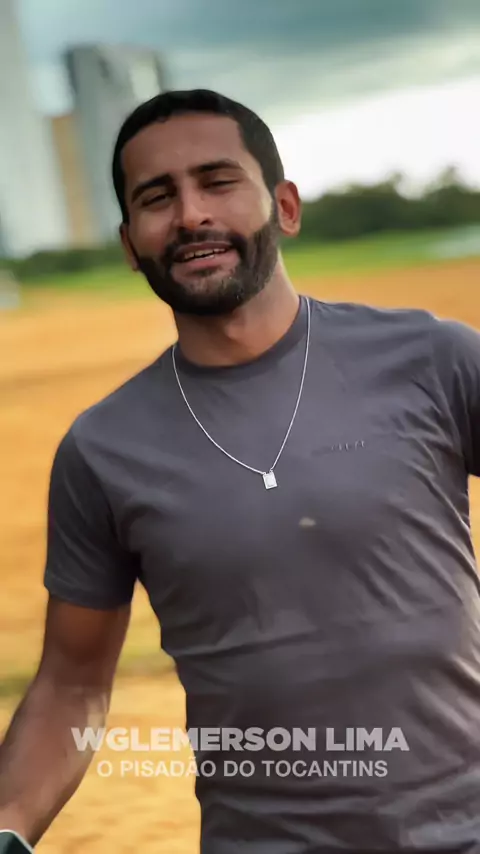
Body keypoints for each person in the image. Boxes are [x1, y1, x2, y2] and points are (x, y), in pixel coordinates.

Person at [1, 87, 480, 854]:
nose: (190, 215)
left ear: (284, 206)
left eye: (217, 181)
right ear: (129, 244)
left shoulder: (433, 360)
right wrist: (7, 828)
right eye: (157, 198)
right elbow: (72, 684)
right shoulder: (101, 451)